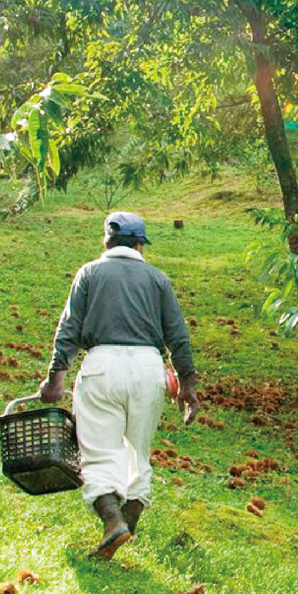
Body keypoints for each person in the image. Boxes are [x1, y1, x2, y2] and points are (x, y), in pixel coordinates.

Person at [37, 211, 200, 561]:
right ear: (140, 245)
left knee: (98, 452)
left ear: (106, 242)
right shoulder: (158, 279)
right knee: (137, 454)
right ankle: (124, 528)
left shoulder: (90, 273)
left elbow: (68, 330)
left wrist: (55, 379)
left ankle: (113, 524)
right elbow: (178, 336)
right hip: (148, 371)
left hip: (102, 366)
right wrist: (187, 386)